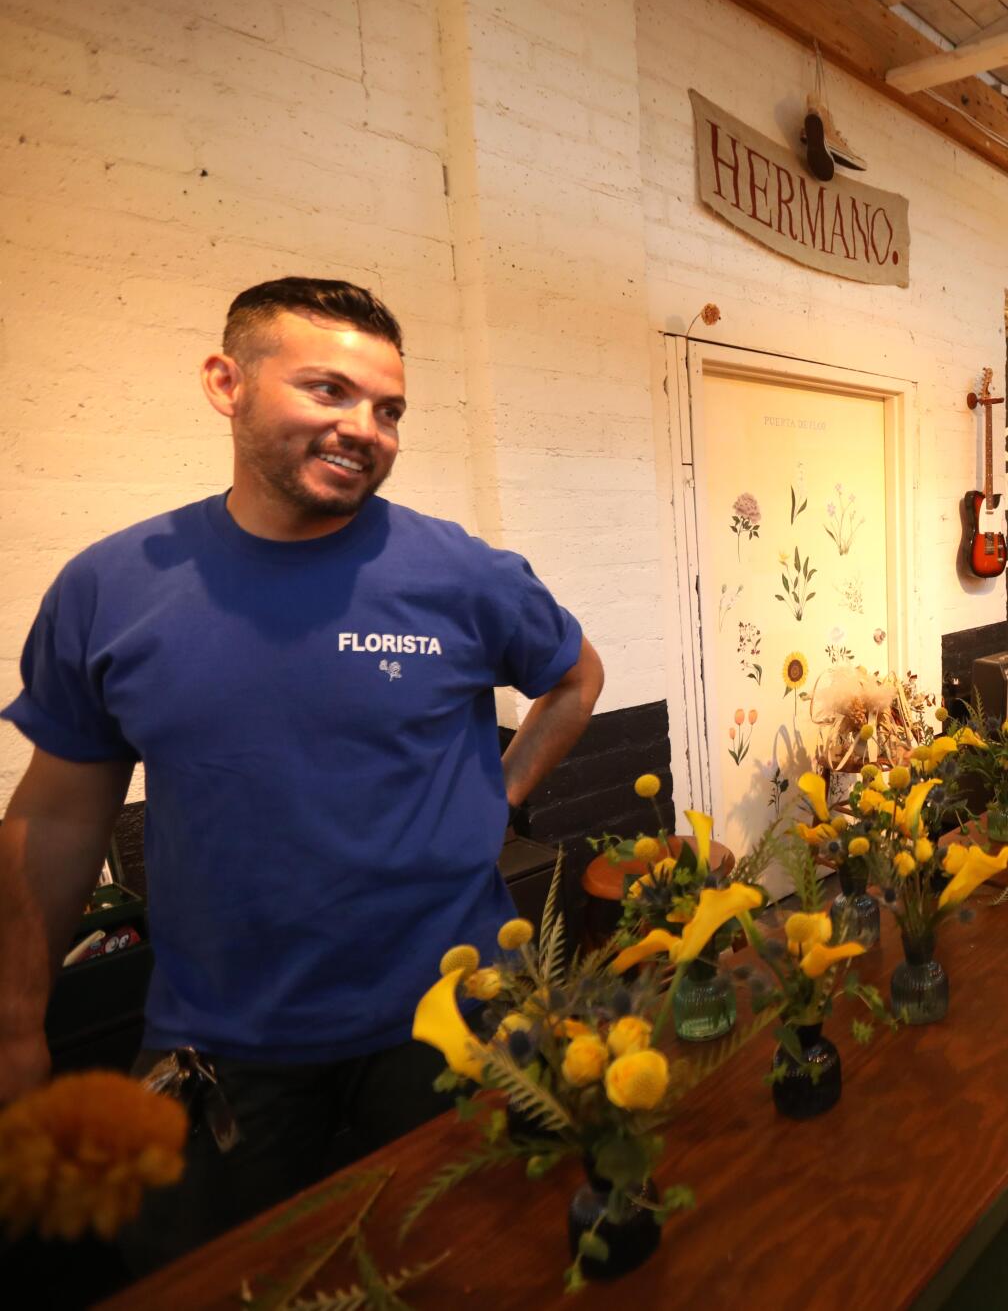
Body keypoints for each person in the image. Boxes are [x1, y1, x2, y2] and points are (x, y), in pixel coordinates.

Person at [0, 277, 605, 1268]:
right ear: (224, 382)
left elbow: (575, 679)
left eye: (388, 408)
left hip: (455, 1018)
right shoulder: (111, 590)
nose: (363, 427)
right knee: (234, 1285)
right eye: (328, 391)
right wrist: (15, 1020)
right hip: (225, 1038)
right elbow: (61, 819)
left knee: (493, 1269)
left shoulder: (458, 574)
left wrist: (500, 791)